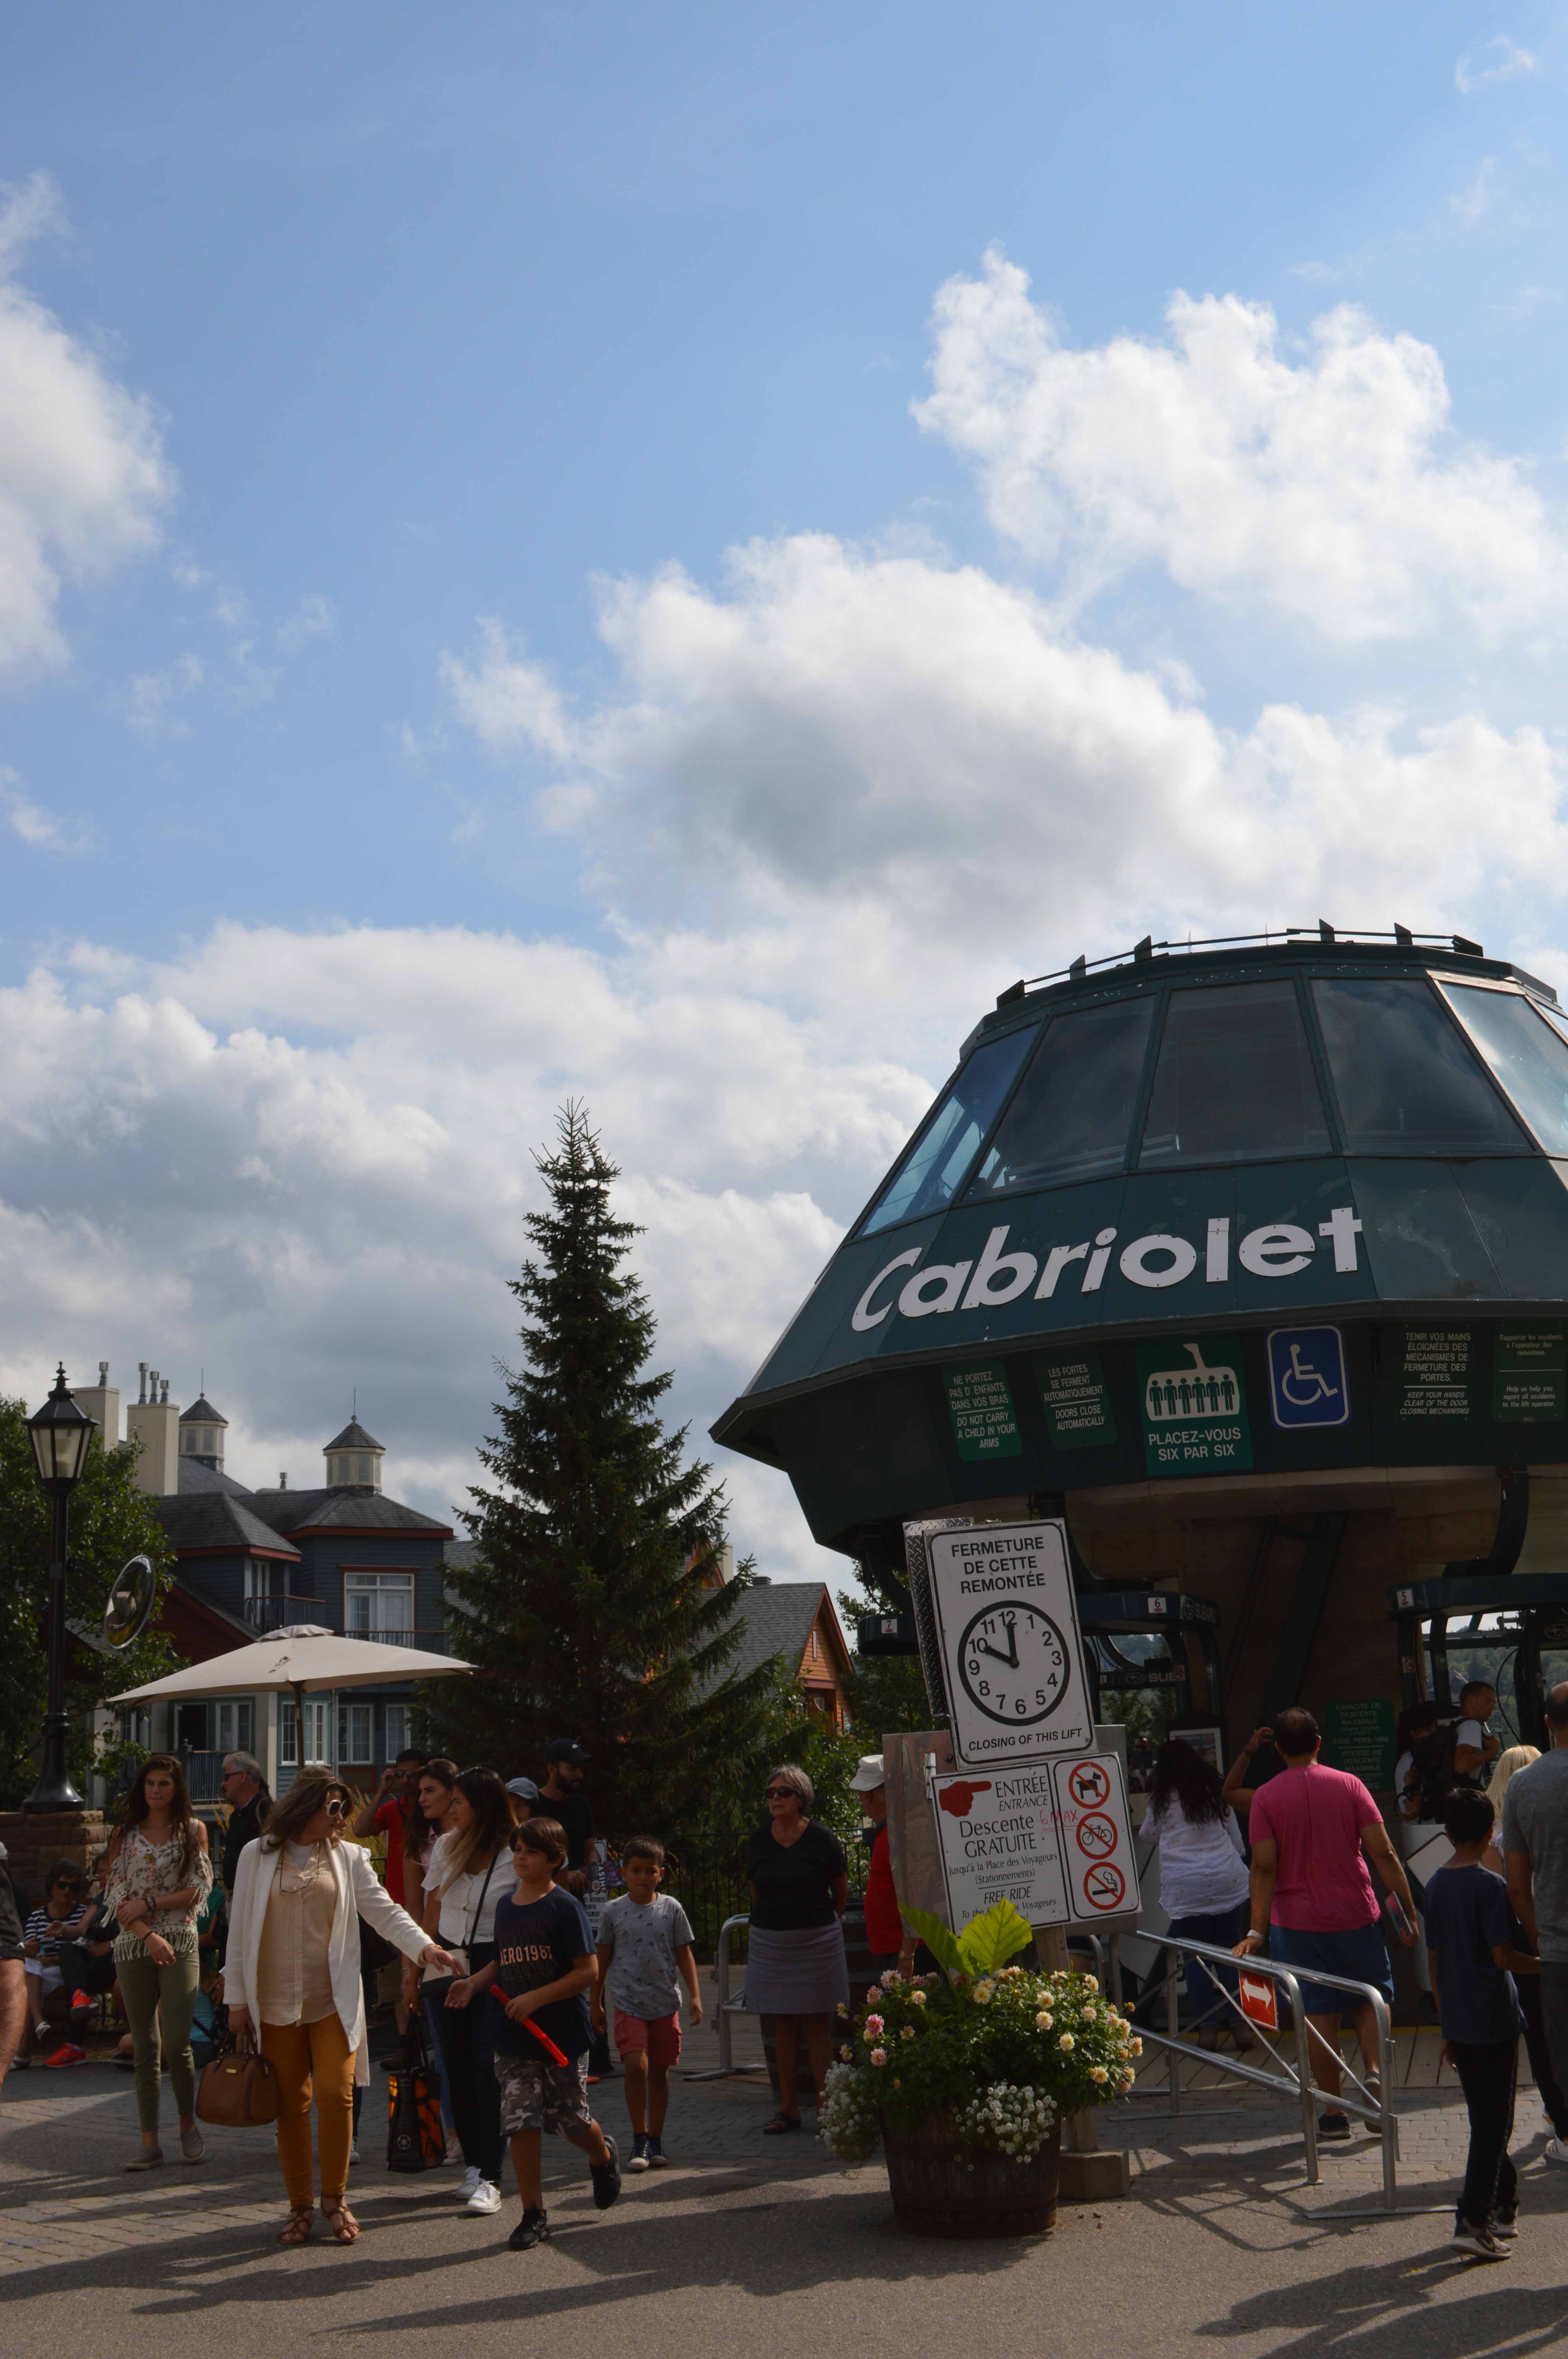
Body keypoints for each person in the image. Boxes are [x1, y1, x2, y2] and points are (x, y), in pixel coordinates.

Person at [224, 1771, 458, 2245]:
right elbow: (239, 1929)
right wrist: (236, 2000)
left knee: (336, 2095)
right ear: (305, 1806)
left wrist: (424, 1947)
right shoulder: (256, 1854)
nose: (342, 1819)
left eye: (344, 1809)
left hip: (332, 1999)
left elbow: (385, 1910)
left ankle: (335, 2199)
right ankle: (299, 2206)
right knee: (291, 2106)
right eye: (333, 1808)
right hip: (273, 2001)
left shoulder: (349, 1857)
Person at [1232, 1706, 1416, 2141]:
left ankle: (1334, 2113)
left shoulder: (1266, 1798)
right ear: (1319, 1743)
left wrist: (1257, 1931)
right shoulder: (1350, 1785)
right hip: (1356, 1915)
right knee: (1370, 1999)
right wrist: (1406, 1913)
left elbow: (1263, 1867)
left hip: (1297, 1925)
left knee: (1317, 2013)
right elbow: (1384, 1853)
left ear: (1279, 1750)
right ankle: (1374, 2075)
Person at [472, 1815, 621, 2250]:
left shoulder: (564, 1907)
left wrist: (537, 1998)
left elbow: (588, 1970)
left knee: (570, 2119)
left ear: (555, 1860)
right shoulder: (505, 1905)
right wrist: (473, 1983)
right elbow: (502, 1960)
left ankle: (602, 2155)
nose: (520, 1858)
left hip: (561, 2035)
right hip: (513, 2035)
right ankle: (533, 2213)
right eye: (517, 1850)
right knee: (521, 2119)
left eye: (531, 1852)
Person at [1425, 1787, 1537, 2260]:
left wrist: (1445, 2022)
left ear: (1448, 1833)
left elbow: (1434, 1960)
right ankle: (1473, 2219)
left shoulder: (1435, 1884)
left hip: (1459, 2016)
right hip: (1493, 2016)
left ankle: (1503, 2206)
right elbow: (1503, 1956)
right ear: (1491, 1830)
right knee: (1496, 2121)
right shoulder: (1489, 1886)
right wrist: (1545, 1964)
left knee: (1485, 2116)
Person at [100, 1754, 214, 2170]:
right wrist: (147, 1936)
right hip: (135, 1945)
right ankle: (150, 2142)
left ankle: (187, 2125)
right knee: (145, 2046)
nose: (155, 1790)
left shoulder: (193, 1830)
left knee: (178, 2042)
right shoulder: (125, 1834)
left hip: (180, 1940)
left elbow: (199, 1889)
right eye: (150, 1783)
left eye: (164, 1783)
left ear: (176, 1788)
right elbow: (115, 1897)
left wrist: (150, 1904)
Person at [423, 1767, 516, 2217]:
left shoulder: (514, 1851)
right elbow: (432, 1907)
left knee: (486, 2068)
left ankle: (493, 2176)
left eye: (459, 1800)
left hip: (496, 1964)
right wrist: (416, 1964)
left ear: (483, 1805)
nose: (451, 1807)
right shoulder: (446, 1845)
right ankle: (475, 2165)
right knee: (455, 2068)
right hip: (448, 1961)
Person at [742, 1764, 849, 2136]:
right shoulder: (759, 1840)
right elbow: (755, 1889)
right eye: (771, 1792)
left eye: (784, 1792)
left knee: (818, 2023)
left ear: (801, 1798)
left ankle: (825, 2108)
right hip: (771, 1941)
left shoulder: (822, 1838)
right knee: (783, 2024)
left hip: (817, 1939)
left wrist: (826, 1920)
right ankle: (787, 2109)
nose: (775, 1798)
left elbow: (840, 1889)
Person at [592, 1836, 701, 2170]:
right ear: (624, 1873)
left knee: (659, 2072)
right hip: (628, 2002)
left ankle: (655, 2139)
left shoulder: (672, 1909)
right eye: (636, 1870)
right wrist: (595, 2002)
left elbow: (684, 1953)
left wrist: (695, 1995)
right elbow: (602, 1959)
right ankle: (638, 2137)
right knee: (636, 2067)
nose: (643, 1877)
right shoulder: (613, 1911)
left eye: (650, 1871)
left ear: (661, 1873)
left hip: (665, 2002)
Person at [1143, 1741, 1253, 2050]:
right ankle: (1241, 2027)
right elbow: (1236, 1836)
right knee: (1231, 1955)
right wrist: (1234, 1857)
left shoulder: (1161, 1798)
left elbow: (1148, 1834)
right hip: (1227, 1883)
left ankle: (1207, 2031)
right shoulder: (1214, 1790)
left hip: (1186, 1889)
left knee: (1195, 1960)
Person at [1502, 1680, 1568, 2166]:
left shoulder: (1523, 1785)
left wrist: (1538, 1935)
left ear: (1547, 1724)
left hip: (1557, 1947)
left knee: (1560, 2045)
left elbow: (1516, 1884)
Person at [398, 1756, 462, 2159]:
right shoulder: (419, 1841)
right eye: (419, 1791)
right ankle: (453, 2132)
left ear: (454, 1792)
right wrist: (411, 1969)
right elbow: (413, 1909)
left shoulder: (476, 1836)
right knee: (445, 2052)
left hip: (472, 1945)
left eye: (430, 1790)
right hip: (433, 1948)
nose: (421, 1798)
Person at [852, 1755, 913, 1981]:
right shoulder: (891, 1831)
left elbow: (914, 1898)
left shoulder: (896, 1834)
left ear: (868, 1795)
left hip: (903, 1951)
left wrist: (907, 1956)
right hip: (895, 1948)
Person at [22, 1864, 91, 2063]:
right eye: (62, 1885)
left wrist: (50, 1959)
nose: (67, 1891)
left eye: (73, 1887)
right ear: (52, 1887)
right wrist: (28, 1950)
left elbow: (85, 1948)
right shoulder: (37, 1916)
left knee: (27, 1985)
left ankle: (23, 2051)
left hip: (68, 1971)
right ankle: (38, 2024)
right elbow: (27, 1948)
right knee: (29, 1970)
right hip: (40, 1971)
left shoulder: (83, 1915)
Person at [353, 1747, 428, 1908]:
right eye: (400, 1774)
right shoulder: (393, 1808)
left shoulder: (434, 1809)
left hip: (428, 1898)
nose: (405, 1780)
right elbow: (360, 1831)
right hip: (396, 1899)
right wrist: (382, 1792)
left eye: (411, 1774)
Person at [218, 1754, 271, 1895]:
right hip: (237, 1896)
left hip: (255, 1896)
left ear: (242, 1777)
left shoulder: (266, 1811)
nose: (223, 1784)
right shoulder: (237, 1815)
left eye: (227, 1778)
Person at [538, 1742, 592, 1872]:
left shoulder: (581, 1805)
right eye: (572, 1768)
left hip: (581, 1885)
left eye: (581, 1769)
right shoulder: (533, 1804)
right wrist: (565, 1876)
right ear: (552, 1770)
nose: (580, 1775)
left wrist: (593, 1861)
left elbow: (590, 1851)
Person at [1222, 1725, 1283, 1814]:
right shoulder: (1303, 1790)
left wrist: (1249, 1751)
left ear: (1278, 1748)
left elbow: (1229, 1792)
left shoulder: (1272, 1799)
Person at [1454, 1682, 1502, 1788]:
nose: (1493, 1708)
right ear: (1471, 1701)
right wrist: (1491, 1751)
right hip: (1465, 1794)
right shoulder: (1472, 1726)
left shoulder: (1454, 1724)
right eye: (1489, 1701)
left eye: (1494, 1703)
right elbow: (1461, 1765)